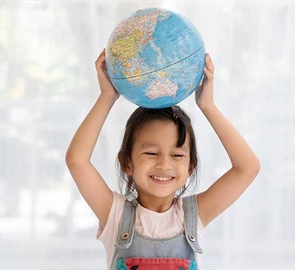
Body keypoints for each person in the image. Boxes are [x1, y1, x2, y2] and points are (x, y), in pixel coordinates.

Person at [66, 49, 260, 269]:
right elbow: (77, 160)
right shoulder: (115, 215)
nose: (164, 164)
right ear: (127, 162)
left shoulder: (194, 216)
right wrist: (107, 97)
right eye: (151, 153)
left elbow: (248, 167)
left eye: (177, 155)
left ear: (190, 167)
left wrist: (208, 106)